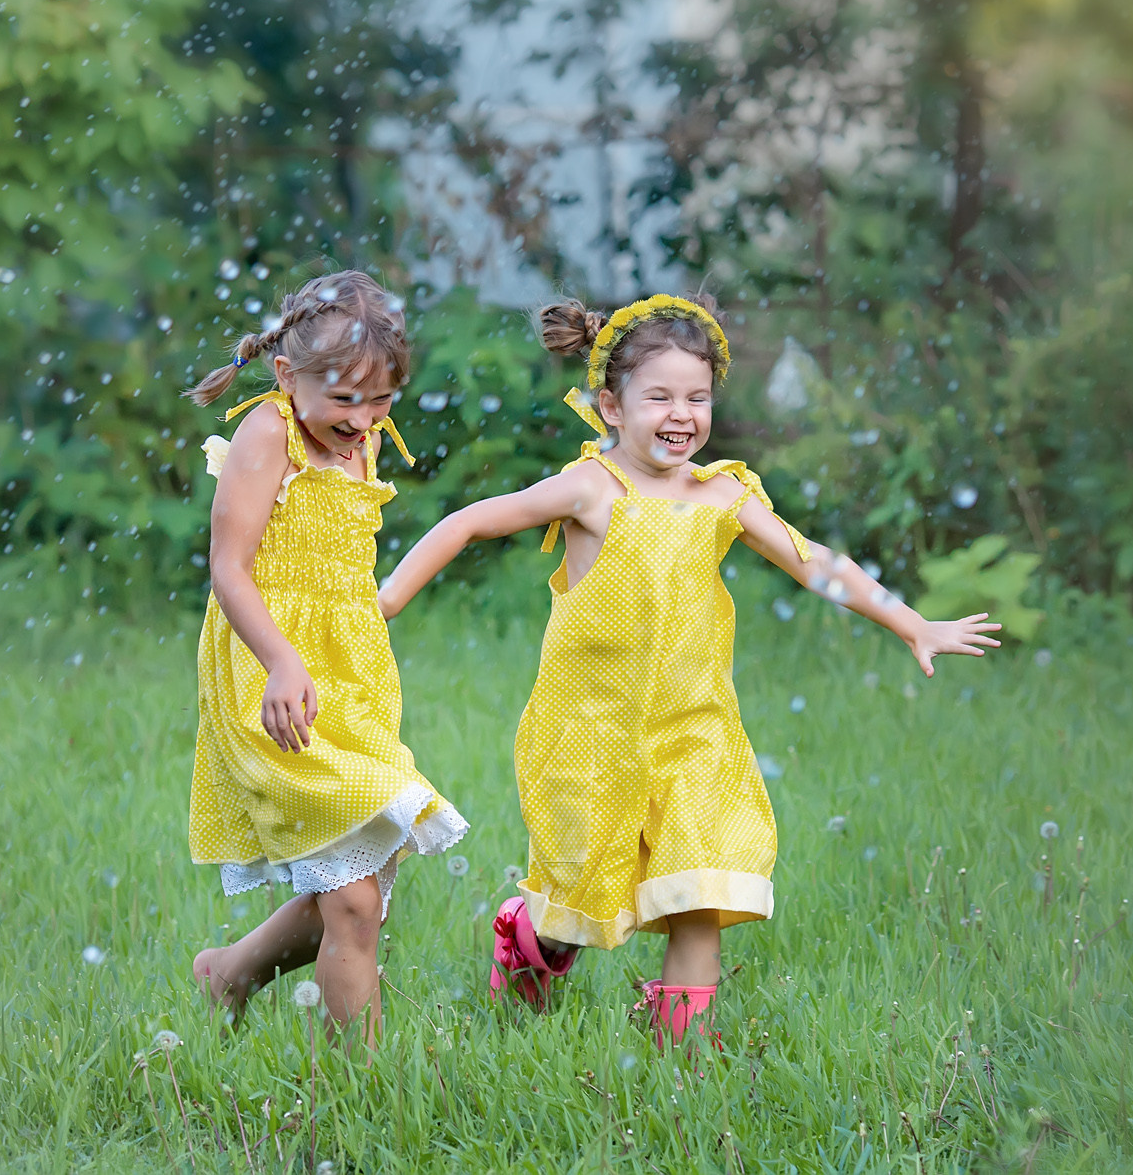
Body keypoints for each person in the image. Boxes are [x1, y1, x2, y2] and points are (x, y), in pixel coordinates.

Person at [377, 292, 1001, 1045]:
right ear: (611, 403)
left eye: (698, 397)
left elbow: (814, 562)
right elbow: (469, 519)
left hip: (693, 724)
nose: (682, 414)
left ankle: (681, 1061)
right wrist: (384, 601)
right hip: (590, 732)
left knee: (702, 883)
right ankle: (528, 939)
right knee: (580, 899)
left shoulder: (722, 494)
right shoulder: (590, 489)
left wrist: (911, 623)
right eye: (660, 397)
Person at [184, 269, 467, 1046]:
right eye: (344, 398)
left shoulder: (364, 437)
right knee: (351, 901)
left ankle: (231, 972)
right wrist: (281, 659)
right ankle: (363, 1088)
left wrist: (369, 612)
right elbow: (229, 568)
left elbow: (344, 568)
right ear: (287, 375)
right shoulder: (268, 432)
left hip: (352, 678)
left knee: (366, 879)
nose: (363, 418)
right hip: (272, 673)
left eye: (379, 401)